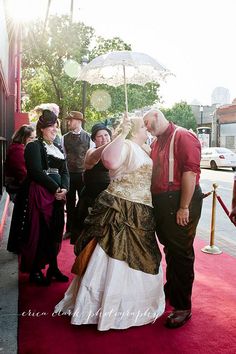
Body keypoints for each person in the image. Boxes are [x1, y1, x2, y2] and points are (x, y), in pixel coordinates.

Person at [54, 116, 165, 331]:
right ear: (134, 131)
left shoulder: (145, 148)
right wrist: (121, 134)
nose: (147, 129)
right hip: (121, 207)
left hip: (141, 209)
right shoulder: (126, 146)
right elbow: (110, 162)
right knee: (112, 257)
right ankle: (105, 307)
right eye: (143, 126)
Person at [143, 109, 203, 329]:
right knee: (171, 249)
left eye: (148, 123)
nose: (147, 128)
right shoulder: (157, 141)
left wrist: (183, 207)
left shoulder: (183, 136)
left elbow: (190, 173)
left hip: (179, 200)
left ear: (157, 116)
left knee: (182, 253)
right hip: (163, 202)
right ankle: (173, 289)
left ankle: (183, 307)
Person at [7, 109, 69, 285]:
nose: (55, 129)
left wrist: (65, 188)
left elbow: (65, 171)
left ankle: (53, 268)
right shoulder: (33, 146)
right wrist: (55, 188)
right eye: (51, 126)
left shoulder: (57, 148)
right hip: (40, 196)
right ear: (42, 128)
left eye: (56, 127)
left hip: (57, 196)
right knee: (39, 233)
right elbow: (35, 171)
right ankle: (35, 269)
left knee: (55, 232)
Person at [70, 123, 112, 244]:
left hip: (109, 199)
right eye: (100, 136)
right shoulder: (91, 151)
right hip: (92, 198)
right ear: (94, 139)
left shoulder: (115, 153)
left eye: (106, 135)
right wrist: (114, 142)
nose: (104, 138)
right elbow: (93, 159)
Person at [61, 111, 92, 240]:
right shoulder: (64, 137)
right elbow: (64, 155)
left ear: (78, 121)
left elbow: (91, 157)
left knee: (84, 202)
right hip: (69, 174)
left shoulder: (89, 137)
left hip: (83, 175)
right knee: (69, 202)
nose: (69, 122)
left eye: (71, 120)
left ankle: (82, 229)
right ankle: (69, 230)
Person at [5, 125, 36, 201]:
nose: (34, 140)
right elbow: (22, 173)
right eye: (31, 138)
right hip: (17, 189)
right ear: (23, 137)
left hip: (19, 187)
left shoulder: (21, 148)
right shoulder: (17, 149)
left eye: (35, 137)